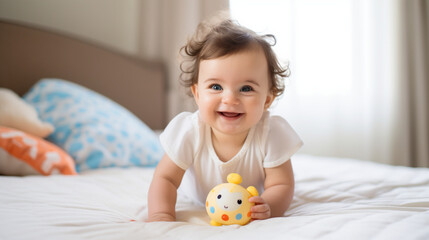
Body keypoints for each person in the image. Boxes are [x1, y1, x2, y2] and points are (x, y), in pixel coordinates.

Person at [147, 17, 303, 222]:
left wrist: (269, 206)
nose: (230, 99)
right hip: (197, 199)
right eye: (216, 87)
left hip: (244, 203)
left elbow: (280, 184)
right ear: (197, 93)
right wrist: (161, 214)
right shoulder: (190, 131)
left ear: (267, 99)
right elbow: (165, 179)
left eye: (246, 88)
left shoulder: (271, 132)